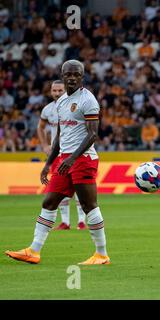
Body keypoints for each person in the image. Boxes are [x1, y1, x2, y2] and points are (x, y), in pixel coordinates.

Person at [5, 60, 110, 265]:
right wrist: (48, 163)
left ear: (82, 77)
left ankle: (102, 254)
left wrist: (72, 158)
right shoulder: (61, 102)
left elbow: (93, 135)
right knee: (49, 201)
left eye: (76, 74)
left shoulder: (88, 100)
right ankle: (34, 251)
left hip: (83, 159)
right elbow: (60, 136)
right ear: (62, 75)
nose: (71, 77)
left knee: (89, 205)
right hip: (64, 159)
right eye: (68, 74)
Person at [37, 80, 86, 230]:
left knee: (79, 186)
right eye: (54, 90)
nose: (57, 93)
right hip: (57, 153)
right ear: (50, 91)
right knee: (58, 189)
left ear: (65, 90)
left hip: (74, 152)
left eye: (60, 90)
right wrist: (45, 145)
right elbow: (41, 127)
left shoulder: (75, 105)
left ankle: (81, 221)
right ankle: (65, 222)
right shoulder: (47, 109)